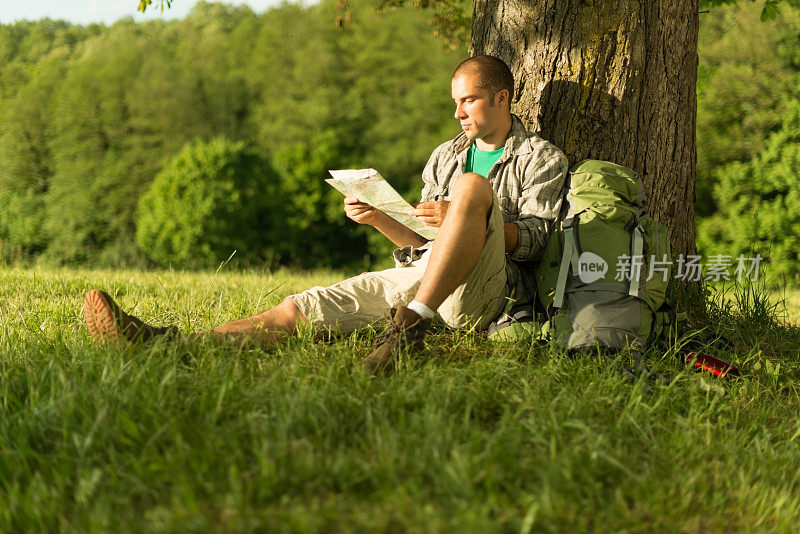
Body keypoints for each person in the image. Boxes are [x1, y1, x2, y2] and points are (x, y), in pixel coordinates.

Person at [83, 55, 568, 374]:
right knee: (300, 309)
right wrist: (377, 216)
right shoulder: (444, 155)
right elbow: (423, 241)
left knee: (472, 187)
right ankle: (166, 345)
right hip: (423, 275)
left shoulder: (540, 158)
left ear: (502, 98)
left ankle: (410, 329)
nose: (458, 113)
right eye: (454, 103)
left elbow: (538, 241)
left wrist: (468, 213)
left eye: (469, 101)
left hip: (486, 290)